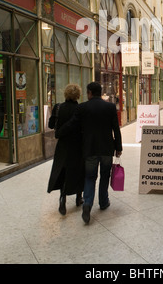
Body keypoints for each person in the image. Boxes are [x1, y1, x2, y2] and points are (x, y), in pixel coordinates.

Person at [59, 81, 122, 225]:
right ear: (100, 92)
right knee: (105, 175)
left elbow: (72, 124)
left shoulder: (82, 108)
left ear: (89, 93)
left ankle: (87, 203)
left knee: (90, 177)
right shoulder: (110, 107)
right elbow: (116, 129)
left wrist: (59, 132)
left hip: (90, 150)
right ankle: (103, 201)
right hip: (106, 149)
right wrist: (118, 147)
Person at [47, 84, 85, 215]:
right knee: (78, 171)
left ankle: (62, 199)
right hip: (77, 145)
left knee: (63, 172)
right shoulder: (80, 109)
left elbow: (51, 125)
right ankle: (78, 198)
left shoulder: (58, 107)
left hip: (63, 145)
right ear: (78, 95)